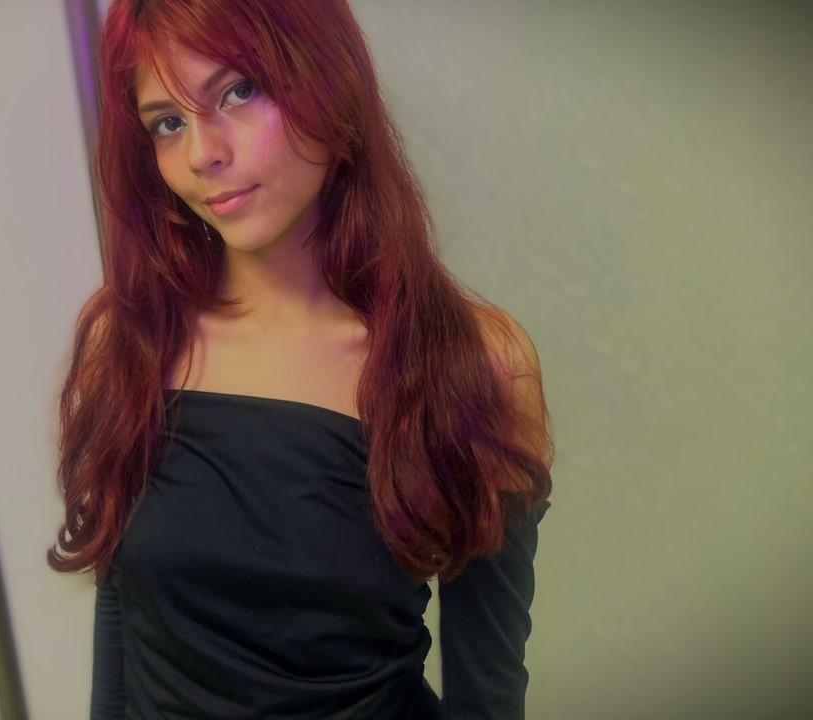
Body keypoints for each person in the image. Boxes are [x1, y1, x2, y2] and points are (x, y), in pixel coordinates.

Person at [47, 1, 554, 717]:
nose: (202, 154)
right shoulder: (129, 339)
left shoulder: (477, 364)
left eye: (239, 91)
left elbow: (488, 696)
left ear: (328, 78)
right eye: (167, 123)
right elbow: (123, 619)